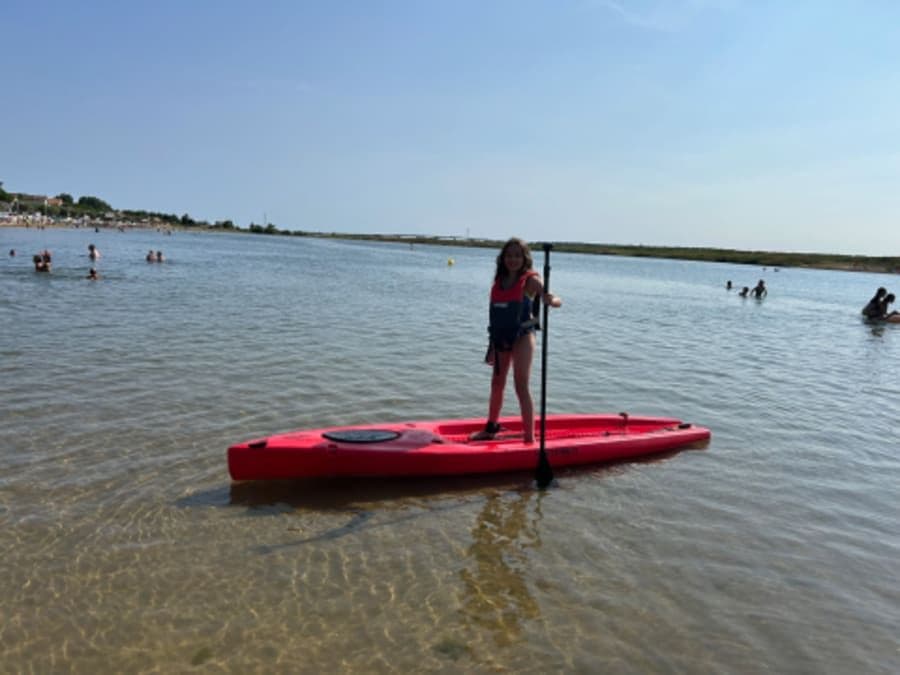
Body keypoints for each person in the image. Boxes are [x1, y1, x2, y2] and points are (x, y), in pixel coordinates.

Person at [471, 238, 561, 443]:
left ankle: (529, 439)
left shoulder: (530, 280)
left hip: (523, 337)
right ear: (503, 258)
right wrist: (492, 345)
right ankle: (490, 429)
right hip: (501, 338)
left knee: (521, 385)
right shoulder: (499, 282)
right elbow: (497, 316)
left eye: (517, 255)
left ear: (524, 258)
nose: (512, 259)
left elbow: (554, 297)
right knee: (496, 384)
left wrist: (552, 301)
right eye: (509, 255)